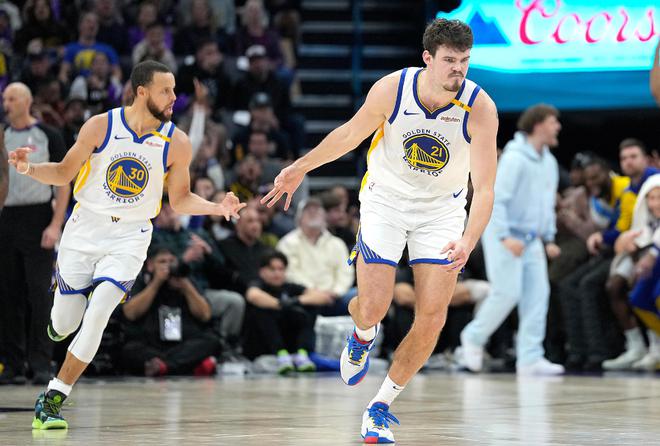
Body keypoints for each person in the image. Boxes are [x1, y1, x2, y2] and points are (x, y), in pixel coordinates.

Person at [262, 18, 498, 443]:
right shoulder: (393, 89)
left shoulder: (480, 107)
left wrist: (468, 239)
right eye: (449, 60)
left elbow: (484, 189)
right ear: (427, 58)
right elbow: (350, 135)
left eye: (464, 60)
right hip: (386, 200)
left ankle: (380, 407)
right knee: (373, 307)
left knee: (433, 316)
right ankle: (363, 334)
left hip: (441, 211)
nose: (458, 69)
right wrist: (300, 167)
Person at [7, 61, 246, 430]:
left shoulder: (177, 142)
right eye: (166, 90)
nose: (174, 97)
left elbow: (180, 199)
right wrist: (27, 168)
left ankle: (54, 397)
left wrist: (218, 207)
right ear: (142, 92)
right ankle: (60, 321)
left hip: (131, 235)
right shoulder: (101, 126)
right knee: (64, 322)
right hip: (85, 228)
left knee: (100, 311)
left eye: (174, 89)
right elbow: (64, 173)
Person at [459, 104, 564, 377]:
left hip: (532, 239)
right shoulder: (514, 158)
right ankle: (473, 337)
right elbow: (496, 199)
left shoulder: (549, 162)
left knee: (538, 296)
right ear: (538, 124)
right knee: (507, 293)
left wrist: (549, 237)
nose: (558, 127)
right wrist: (505, 237)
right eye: (553, 122)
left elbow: (546, 205)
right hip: (503, 235)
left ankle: (530, 357)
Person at [0, 83, 69, 386]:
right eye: (5, 98)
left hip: (38, 216)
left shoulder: (48, 134)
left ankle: (42, 363)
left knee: (40, 293)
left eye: (12, 98)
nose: (7, 103)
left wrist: (55, 224)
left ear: (27, 101)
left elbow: (63, 182)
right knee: (8, 292)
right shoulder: (2, 135)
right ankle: (13, 364)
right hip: (7, 216)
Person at [120, 245, 219, 377]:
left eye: (172, 261)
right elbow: (130, 313)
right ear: (150, 265)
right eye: (162, 262)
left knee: (212, 341)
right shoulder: (141, 281)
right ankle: (188, 366)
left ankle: (164, 367)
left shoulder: (185, 280)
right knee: (130, 350)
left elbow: (205, 315)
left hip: (183, 342)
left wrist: (186, 286)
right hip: (152, 343)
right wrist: (156, 283)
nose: (168, 266)